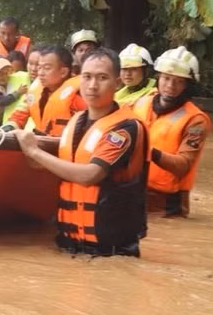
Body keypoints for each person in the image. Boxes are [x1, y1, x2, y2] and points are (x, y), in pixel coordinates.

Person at [16, 48, 149, 257]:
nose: (92, 85)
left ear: (117, 83)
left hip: (110, 251)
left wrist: (34, 151)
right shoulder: (76, 121)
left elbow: (89, 176)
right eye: (87, 77)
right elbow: (43, 165)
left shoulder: (125, 128)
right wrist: (27, 146)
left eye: (102, 78)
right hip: (69, 244)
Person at [130, 46, 211, 217]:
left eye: (178, 81)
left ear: (187, 85)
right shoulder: (141, 104)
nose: (170, 86)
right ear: (159, 78)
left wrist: (149, 152)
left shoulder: (196, 120)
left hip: (167, 203)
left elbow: (183, 165)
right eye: (166, 78)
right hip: (134, 192)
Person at [5, 46, 85, 137]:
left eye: (46, 68)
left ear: (63, 72)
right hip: (40, 141)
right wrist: (8, 128)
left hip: (65, 143)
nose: (40, 73)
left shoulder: (78, 96)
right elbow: (19, 116)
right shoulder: (35, 92)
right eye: (40, 68)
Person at [3, 46, 42, 128]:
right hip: (7, 129)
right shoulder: (13, 77)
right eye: (30, 63)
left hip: (32, 133)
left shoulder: (51, 87)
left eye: (38, 64)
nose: (33, 69)